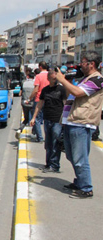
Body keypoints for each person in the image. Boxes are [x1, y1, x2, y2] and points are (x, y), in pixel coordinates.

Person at [55, 51, 103, 199]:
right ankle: (79, 181)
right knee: (70, 155)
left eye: (83, 62)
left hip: (81, 123)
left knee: (80, 158)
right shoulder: (86, 78)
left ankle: (86, 188)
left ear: (91, 63)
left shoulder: (97, 80)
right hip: (72, 121)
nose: (80, 65)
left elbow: (76, 92)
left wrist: (62, 80)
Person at [30, 70, 67, 173]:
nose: (55, 80)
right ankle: (48, 164)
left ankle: (55, 165)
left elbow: (65, 104)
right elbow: (39, 104)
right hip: (47, 119)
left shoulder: (61, 89)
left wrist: (66, 119)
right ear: (48, 78)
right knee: (48, 143)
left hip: (57, 120)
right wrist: (33, 117)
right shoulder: (45, 90)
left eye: (56, 78)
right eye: (53, 78)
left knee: (56, 143)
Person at [29, 61, 50, 142]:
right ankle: (48, 137)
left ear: (40, 67)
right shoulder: (50, 75)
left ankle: (40, 137)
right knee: (47, 119)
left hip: (39, 99)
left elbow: (36, 89)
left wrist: (30, 98)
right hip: (49, 99)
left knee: (36, 118)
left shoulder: (38, 76)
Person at [15, 72, 35, 140]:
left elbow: (21, 92)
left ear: (28, 77)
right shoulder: (35, 83)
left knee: (26, 119)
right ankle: (34, 133)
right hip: (32, 103)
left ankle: (19, 130)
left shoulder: (24, 82)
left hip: (24, 103)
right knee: (34, 118)